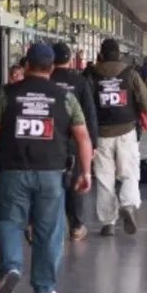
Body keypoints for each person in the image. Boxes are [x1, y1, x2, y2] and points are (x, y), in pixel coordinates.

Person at [0, 43, 93, 293]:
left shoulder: (7, 94)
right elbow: (83, 137)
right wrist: (85, 172)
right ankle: (43, 288)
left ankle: (12, 268)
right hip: (51, 173)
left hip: (13, 171)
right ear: (52, 68)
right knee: (49, 230)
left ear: (26, 65)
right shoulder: (65, 98)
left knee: (10, 222)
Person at [89, 39, 147, 236]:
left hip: (101, 134)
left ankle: (108, 223)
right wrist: (142, 117)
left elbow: (85, 103)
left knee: (104, 177)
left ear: (101, 53)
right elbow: (145, 99)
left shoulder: (91, 74)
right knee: (130, 172)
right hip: (126, 131)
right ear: (118, 54)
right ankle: (128, 205)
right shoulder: (130, 73)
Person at [49, 43, 98, 241]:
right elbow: (89, 114)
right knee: (75, 183)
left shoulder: (47, 79)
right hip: (74, 142)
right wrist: (92, 144)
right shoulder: (79, 81)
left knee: (50, 182)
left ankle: (46, 224)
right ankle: (76, 225)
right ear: (70, 60)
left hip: (48, 141)